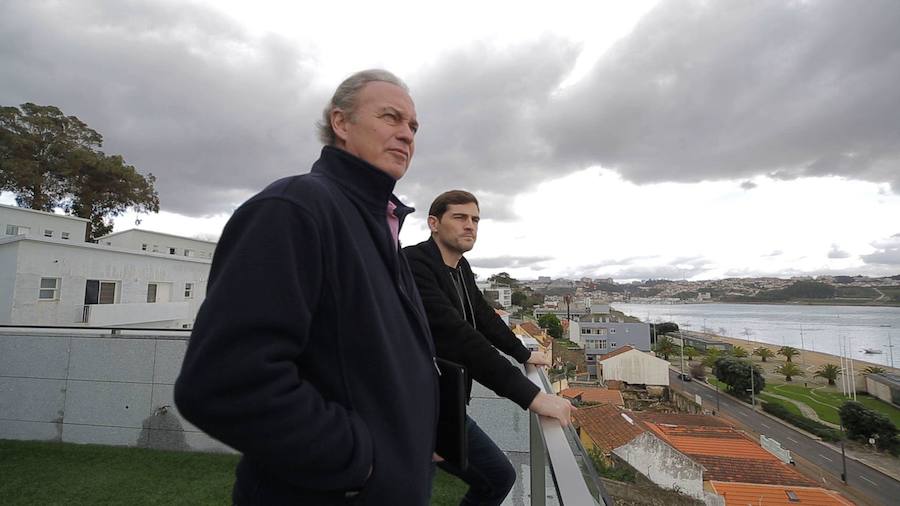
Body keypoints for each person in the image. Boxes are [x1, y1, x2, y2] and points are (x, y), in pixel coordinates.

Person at [174, 70, 438, 505]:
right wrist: (361, 462)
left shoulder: (381, 223)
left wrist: (410, 437)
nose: (406, 134)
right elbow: (224, 382)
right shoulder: (295, 209)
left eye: (412, 126)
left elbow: (372, 361)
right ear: (341, 122)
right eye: (391, 117)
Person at [404, 190, 575, 506]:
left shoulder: (460, 267)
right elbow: (459, 337)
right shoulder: (414, 266)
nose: (470, 225)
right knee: (433, 489)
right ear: (433, 223)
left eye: (475, 219)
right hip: (412, 407)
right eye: (459, 217)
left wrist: (523, 353)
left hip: (444, 406)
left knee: (495, 477)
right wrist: (533, 397)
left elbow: (482, 317)